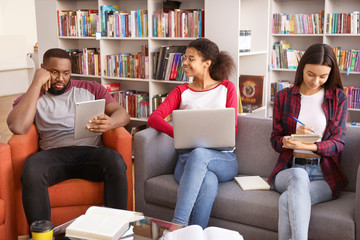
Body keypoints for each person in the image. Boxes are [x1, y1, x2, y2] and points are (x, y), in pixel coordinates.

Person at [7, 48, 130, 229]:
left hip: (90, 154)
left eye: (66, 73)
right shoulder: (33, 97)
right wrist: (36, 83)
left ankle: (115, 230)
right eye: (54, 72)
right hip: (53, 156)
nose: (60, 79)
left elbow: (123, 114)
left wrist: (110, 123)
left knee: (115, 160)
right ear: (42, 69)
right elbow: (17, 126)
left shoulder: (91, 88)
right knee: (31, 168)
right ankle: (42, 235)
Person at [147, 38, 238, 229]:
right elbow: (154, 118)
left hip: (223, 159)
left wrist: (198, 142)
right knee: (208, 182)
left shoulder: (226, 88)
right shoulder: (181, 91)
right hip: (186, 162)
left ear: (207, 63)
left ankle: (178, 225)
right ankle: (195, 234)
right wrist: (181, 134)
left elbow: (233, 129)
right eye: (184, 58)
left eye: (191, 58)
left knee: (199, 152)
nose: (184, 63)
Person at [268, 43, 348, 240]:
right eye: (311, 74)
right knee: (298, 176)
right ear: (301, 67)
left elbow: (338, 142)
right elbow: (275, 140)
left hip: (324, 175)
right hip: (290, 170)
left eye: (323, 76)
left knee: (288, 200)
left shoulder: (338, 98)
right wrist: (292, 138)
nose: (316, 81)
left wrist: (310, 146)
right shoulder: (283, 97)